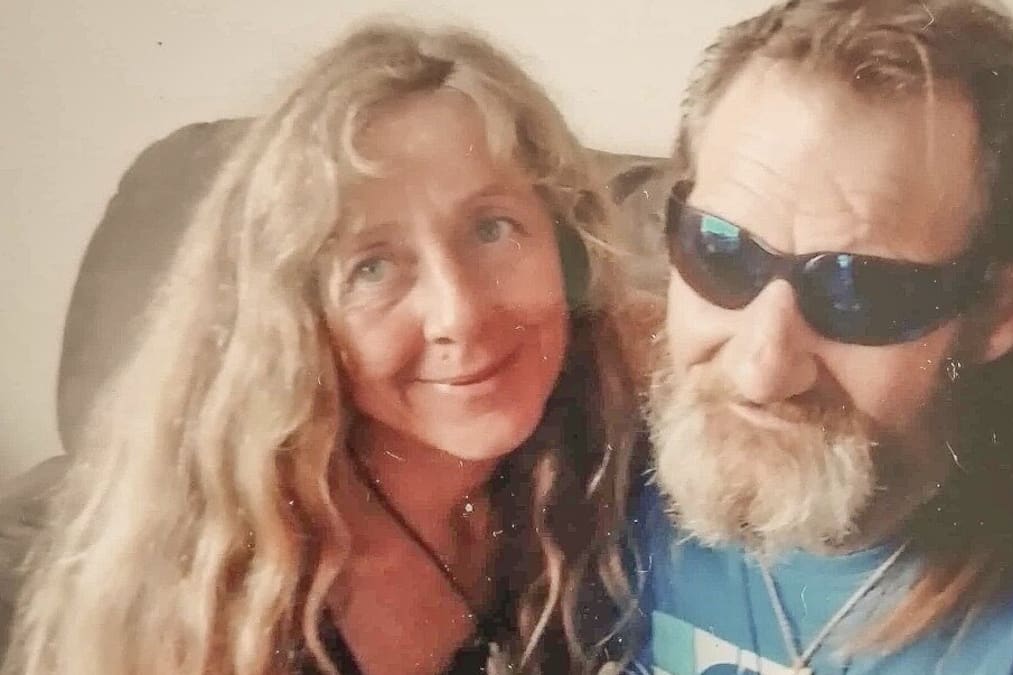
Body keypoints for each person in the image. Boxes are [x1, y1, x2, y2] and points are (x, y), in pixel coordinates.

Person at [4, 23, 643, 675]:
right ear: (295, 322)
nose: (460, 313)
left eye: (491, 229)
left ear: (567, 248)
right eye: (372, 267)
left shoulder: (606, 421)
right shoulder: (211, 600)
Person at [629, 1, 1013, 673]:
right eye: (721, 250)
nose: (761, 367)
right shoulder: (594, 463)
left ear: (1001, 306)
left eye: (859, 290)